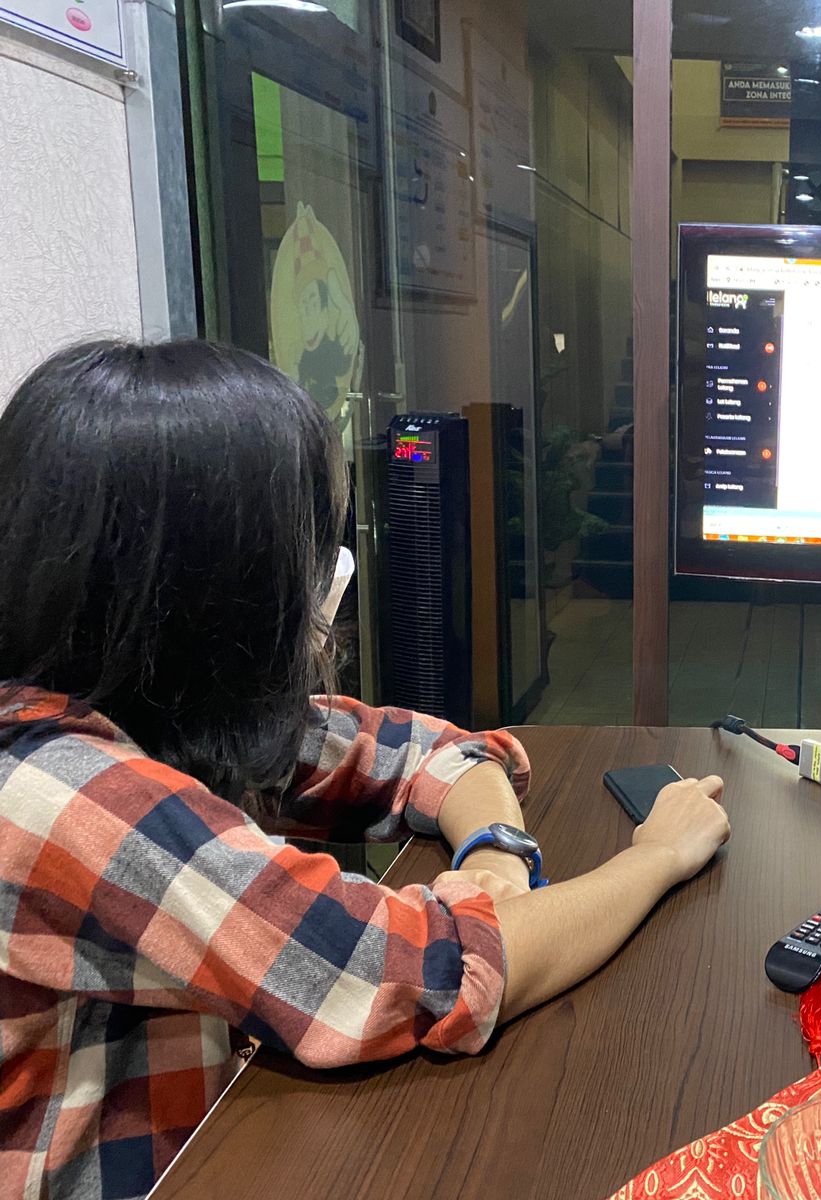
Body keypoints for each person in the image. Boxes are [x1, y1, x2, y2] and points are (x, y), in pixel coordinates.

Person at [0, 340, 732, 1200]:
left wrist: (497, 854)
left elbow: (440, 751)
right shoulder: (65, 796)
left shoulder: (153, 705)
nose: (327, 581)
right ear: (216, 584)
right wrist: (659, 856)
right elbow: (427, 973)